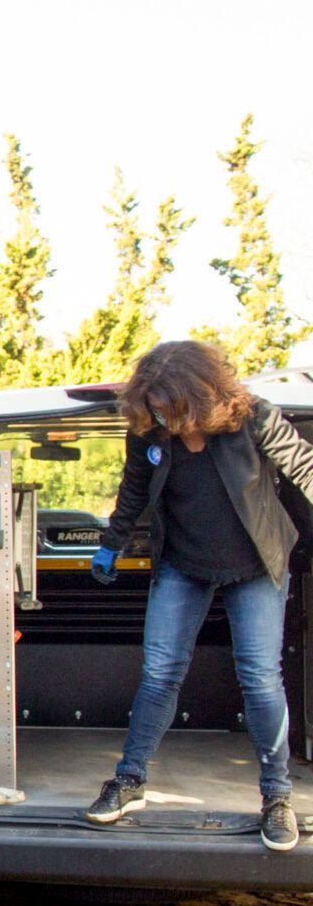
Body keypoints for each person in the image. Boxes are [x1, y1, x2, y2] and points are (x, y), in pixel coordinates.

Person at [84, 340, 313, 851]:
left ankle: (276, 798)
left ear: (199, 395)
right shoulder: (150, 431)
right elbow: (134, 490)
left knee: (259, 678)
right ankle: (129, 779)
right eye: (155, 409)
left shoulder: (255, 418)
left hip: (257, 564)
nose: (162, 418)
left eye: (171, 407)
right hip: (182, 563)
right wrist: (112, 543)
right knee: (161, 672)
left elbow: (305, 467)